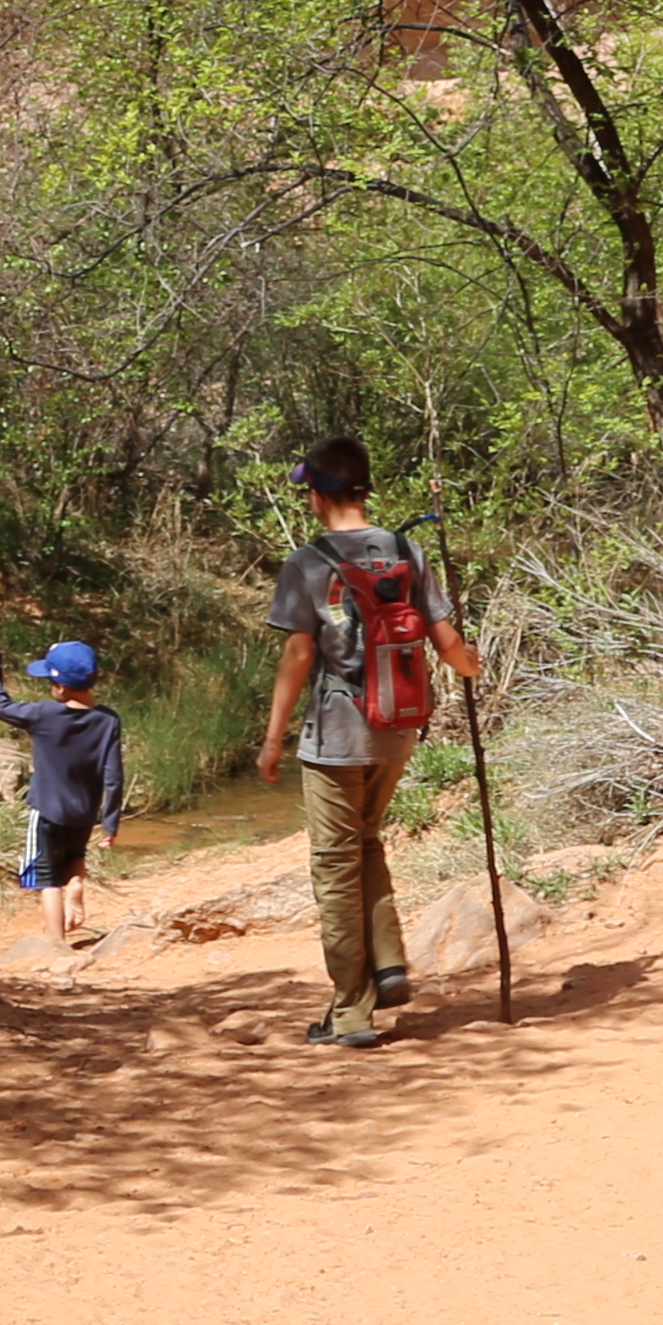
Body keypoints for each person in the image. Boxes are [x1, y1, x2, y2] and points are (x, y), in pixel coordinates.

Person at [259, 437, 482, 1048]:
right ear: (362, 491)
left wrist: (273, 739)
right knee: (365, 842)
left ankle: (350, 1011)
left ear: (316, 494)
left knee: (334, 867)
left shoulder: (308, 562)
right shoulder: (406, 549)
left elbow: (300, 653)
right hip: (398, 729)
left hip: (336, 736)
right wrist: (468, 667)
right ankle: (387, 968)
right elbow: (449, 646)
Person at [0, 637, 124, 951]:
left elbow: (1, 707)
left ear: (59, 687)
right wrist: (110, 823)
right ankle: (76, 887)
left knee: (45, 880)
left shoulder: (44, 715)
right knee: (74, 857)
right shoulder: (108, 720)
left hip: (46, 811)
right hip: (84, 814)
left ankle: (56, 942)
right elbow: (113, 776)